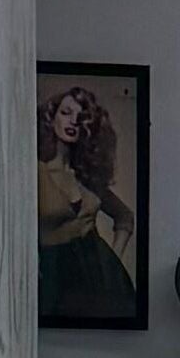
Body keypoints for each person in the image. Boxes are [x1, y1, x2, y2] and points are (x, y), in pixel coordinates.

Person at [38, 83, 137, 322]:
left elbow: (125, 217)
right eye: (66, 113)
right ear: (52, 118)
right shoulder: (36, 171)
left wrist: (112, 261)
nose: (73, 121)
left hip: (103, 280)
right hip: (55, 277)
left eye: (81, 117)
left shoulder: (87, 177)